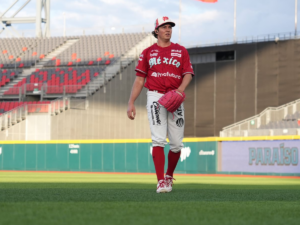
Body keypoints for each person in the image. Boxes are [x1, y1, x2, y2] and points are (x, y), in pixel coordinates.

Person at [127, 16, 194, 193]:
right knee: (158, 139)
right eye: (164, 27)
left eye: (170, 27)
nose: (168, 29)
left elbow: (188, 73)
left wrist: (180, 90)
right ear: (156, 30)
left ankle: (169, 175)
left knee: (177, 144)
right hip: (155, 96)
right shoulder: (148, 52)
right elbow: (140, 80)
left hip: (175, 95)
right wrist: (131, 102)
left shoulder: (181, 51)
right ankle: (160, 181)